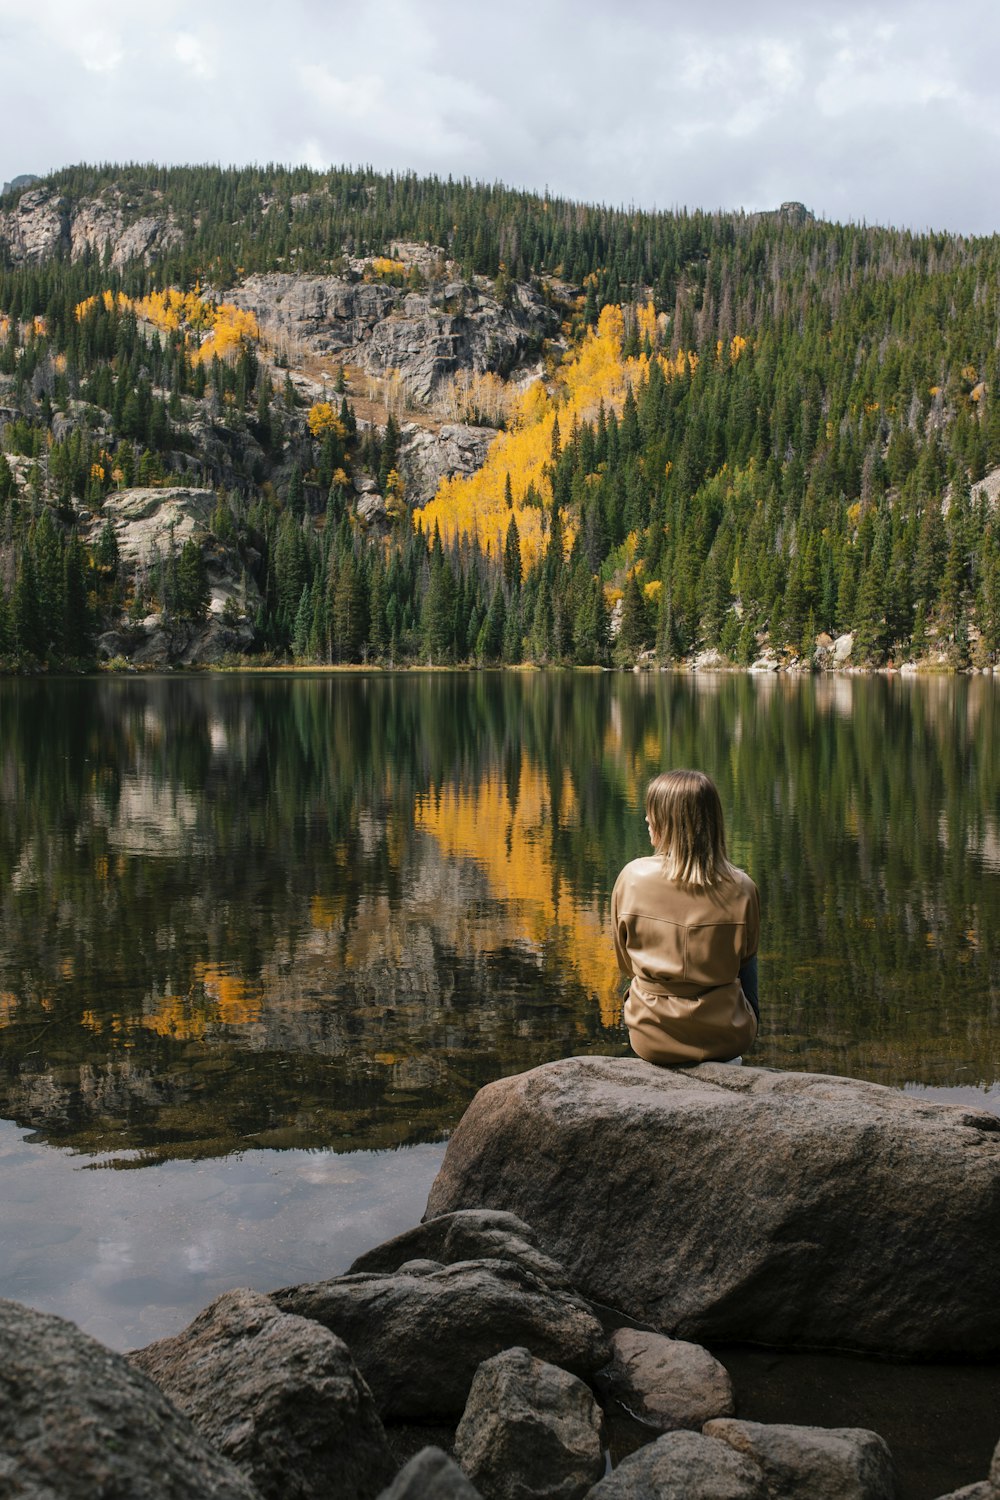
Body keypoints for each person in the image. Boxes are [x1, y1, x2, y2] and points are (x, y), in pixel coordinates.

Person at [612, 769, 759, 1066]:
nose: (646, 820)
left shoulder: (632, 878)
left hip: (651, 1036)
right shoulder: (743, 888)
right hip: (726, 1037)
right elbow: (745, 964)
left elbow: (626, 964)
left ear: (669, 823)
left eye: (652, 812)